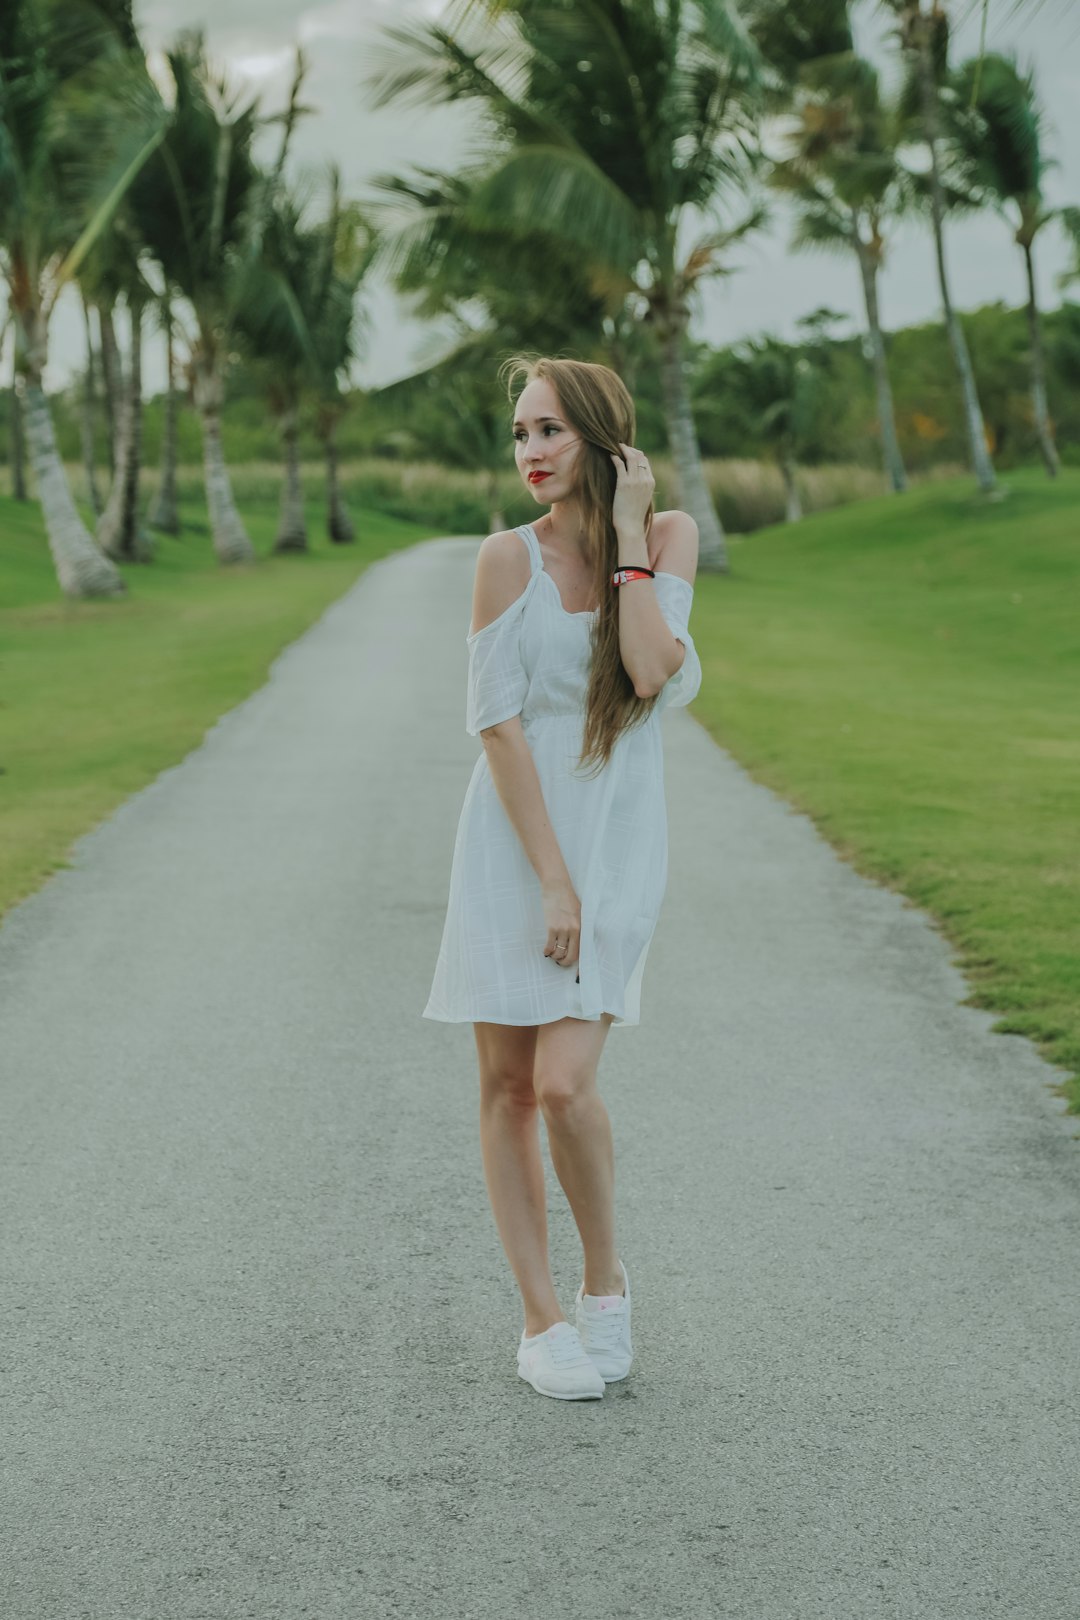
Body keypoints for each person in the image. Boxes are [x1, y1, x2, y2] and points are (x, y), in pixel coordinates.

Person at [423, 356, 702, 1400]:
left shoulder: (665, 535)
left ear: (602, 437)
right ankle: (540, 1319)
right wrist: (550, 880)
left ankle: (604, 1285)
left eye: (550, 431)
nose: (531, 454)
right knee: (505, 1084)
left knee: (565, 1084)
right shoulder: (502, 559)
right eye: (520, 435)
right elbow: (496, 725)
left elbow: (643, 670)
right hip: (517, 839)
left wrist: (628, 532)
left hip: (618, 834)